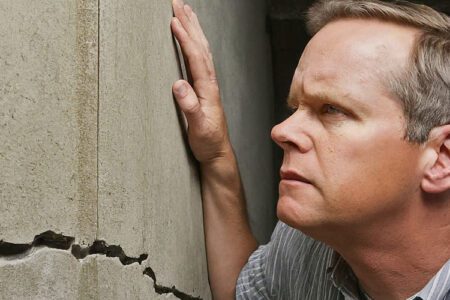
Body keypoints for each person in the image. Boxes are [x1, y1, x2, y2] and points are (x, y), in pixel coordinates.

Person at [170, 0, 450, 299]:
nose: (281, 131)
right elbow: (245, 291)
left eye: (331, 109)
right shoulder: (309, 243)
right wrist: (217, 155)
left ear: (441, 159)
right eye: (295, 107)